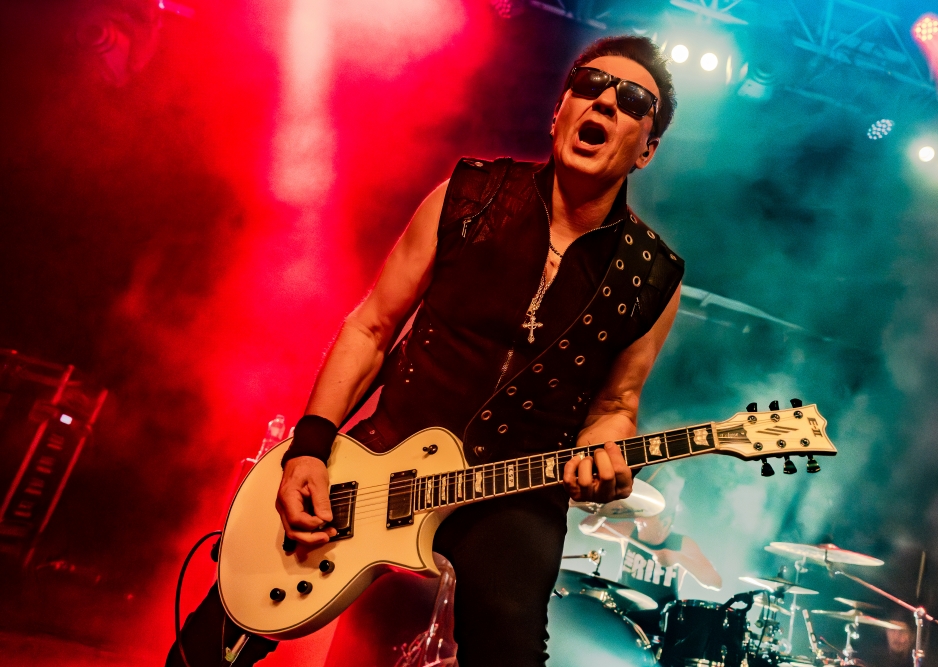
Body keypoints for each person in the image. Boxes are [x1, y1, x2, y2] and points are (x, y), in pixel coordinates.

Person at [167, 35, 684, 667]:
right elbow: (371, 328)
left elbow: (616, 405)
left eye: (631, 100)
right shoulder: (469, 195)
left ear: (647, 149)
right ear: (558, 113)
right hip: (391, 449)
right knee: (228, 624)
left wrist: (606, 451)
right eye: (588, 84)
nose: (603, 101)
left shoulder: (651, 274)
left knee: (510, 644)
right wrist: (309, 448)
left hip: (514, 489)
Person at [578, 470, 721, 636]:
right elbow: (586, 528)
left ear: (665, 522)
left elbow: (715, 582)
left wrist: (678, 558)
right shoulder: (629, 530)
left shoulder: (681, 544)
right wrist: (602, 511)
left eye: (645, 517)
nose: (637, 519)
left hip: (657, 627)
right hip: (623, 616)